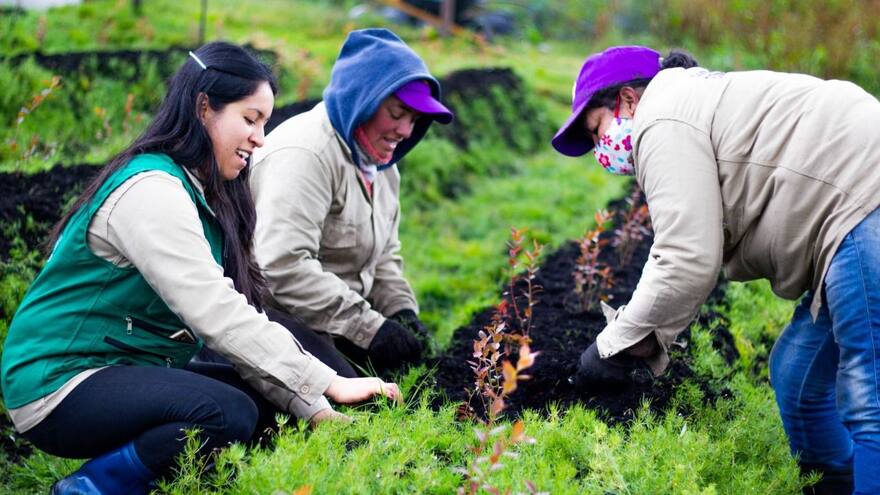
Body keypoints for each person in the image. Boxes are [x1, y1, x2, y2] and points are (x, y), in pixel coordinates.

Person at [0, 42, 400, 495]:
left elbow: (242, 329)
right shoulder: (151, 189)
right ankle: (89, 488)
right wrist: (329, 381)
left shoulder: (208, 195)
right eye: (250, 119)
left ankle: (168, 480)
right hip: (58, 382)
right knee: (223, 412)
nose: (260, 138)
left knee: (260, 406)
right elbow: (217, 313)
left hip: (122, 366)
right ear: (205, 108)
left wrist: (311, 404)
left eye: (264, 123)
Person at [553, 45, 880, 494]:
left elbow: (687, 255)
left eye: (596, 131)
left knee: (870, 398)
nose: (600, 149)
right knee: (796, 374)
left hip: (863, 201)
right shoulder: (684, 102)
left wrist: (611, 347)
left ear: (627, 100)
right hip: (845, 214)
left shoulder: (661, 118)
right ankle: (835, 485)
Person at [250, 28, 453, 375]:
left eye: (415, 120)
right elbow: (282, 268)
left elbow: (385, 255)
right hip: (280, 319)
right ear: (363, 100)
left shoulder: (379, 164)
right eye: (397, 113)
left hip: (341, 321)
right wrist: (371, 330)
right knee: (353, 393)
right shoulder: (305, 155)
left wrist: (402, 313)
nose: (405, 131)